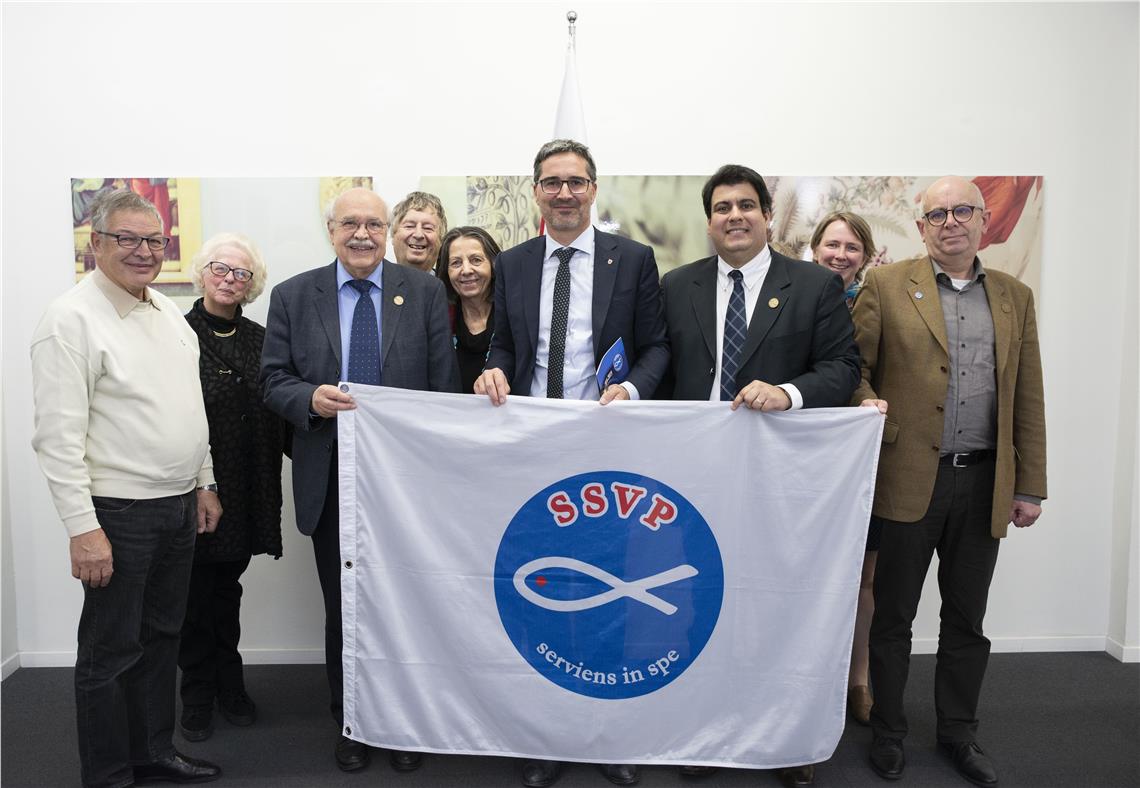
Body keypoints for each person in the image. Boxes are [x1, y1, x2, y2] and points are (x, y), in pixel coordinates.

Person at [475, 139, 670, 788]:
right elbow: (505, 344)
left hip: (608, 447)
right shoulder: (515, 263)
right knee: (544, 592)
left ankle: (609, 732)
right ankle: (546, 734)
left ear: (593, 189)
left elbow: (657, 347)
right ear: (535, 190)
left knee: (610, 590)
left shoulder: (633, 259)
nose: (564, 193)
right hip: (534, 449)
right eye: (552, 182)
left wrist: (633, 389)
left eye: (576, 182)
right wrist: (494, 371)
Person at [659, 165, 861, 788]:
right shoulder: (677, 286)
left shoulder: (813, 285)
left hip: (779, 478)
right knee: (699, 604)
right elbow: (661, 369)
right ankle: (702, 732)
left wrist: (788, 393)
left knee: (774, 605)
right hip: (696, 480)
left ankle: (785, 738)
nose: (735, 216)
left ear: (767, 216)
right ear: (709, 220)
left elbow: (843, 367)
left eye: (747, 205)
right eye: (722, 207)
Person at [853, 176, 1046, 788]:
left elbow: (1028, 394)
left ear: (983, 220)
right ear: (921, 227)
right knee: (893, 619)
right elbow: (852, 367)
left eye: (963, 210)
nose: (950, 222)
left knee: (967, 621)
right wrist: (864, 401)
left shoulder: (1014, 296)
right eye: (936, 214)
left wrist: (1030, 484)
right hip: (907, 479)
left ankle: (959, 733)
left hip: (985, 482)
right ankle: (888, 732)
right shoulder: (886, 285)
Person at [260, 187, 459, 774]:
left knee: (406, 604)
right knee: (345, 607)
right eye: (350, 223)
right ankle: (352, 721)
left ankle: (403, 722)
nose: (363, 234)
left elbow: (443, 389)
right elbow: (272, 380)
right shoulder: (294, 296)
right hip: (331, 476)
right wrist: (308, 397)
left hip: (405, 484)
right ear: (331, 230)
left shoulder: (424, 291)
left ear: (387, 230)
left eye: (374, 223)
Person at [31, 189, 223, 787]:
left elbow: (190, 408)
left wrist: (204, 482)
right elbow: (56, 439)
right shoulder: (70, 320)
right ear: (96, 244)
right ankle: (109, 773)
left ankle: (153, 751)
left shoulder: (166, 311)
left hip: (177, 506)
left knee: (161, 640)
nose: (144, 251)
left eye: (154, 240)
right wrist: (82, 529)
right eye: (128, 239)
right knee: (111, 652)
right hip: (116, 514)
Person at [178, 233, 288, 742]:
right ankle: (197, 695)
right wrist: (203, 484)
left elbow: (279, 401)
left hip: (249, 487)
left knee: (227, 590)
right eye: (220, 269)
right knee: (195, 598)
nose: (229, 279)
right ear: (203, 273)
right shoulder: (177, 334)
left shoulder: (263, 339)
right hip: (199, 487)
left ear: (252, 284)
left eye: (241, 273)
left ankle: (231, 686)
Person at [809, 211, 879, 726]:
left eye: (852, 247)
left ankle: (858, 679)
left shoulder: (879, 303)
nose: (841, 255)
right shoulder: (794, 296)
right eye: (832, 244)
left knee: (864, 580)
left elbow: (866, 371)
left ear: (866, 256)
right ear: (814, 249)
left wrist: (868, 402)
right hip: (807, 458)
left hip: (861, 457)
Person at [437, 226, 501, 393]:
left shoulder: (512, 314)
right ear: (446, 272)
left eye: (476, 260)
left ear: (493, 265)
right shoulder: (439, 319)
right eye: (456, 263)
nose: (466, 270)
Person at [391, 190, 447, 273]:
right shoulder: (375, 280)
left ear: (441, 239)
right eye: (409, 226)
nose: (418, 235)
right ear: (393, 234)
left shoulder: (451, 281)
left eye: (428, 228)